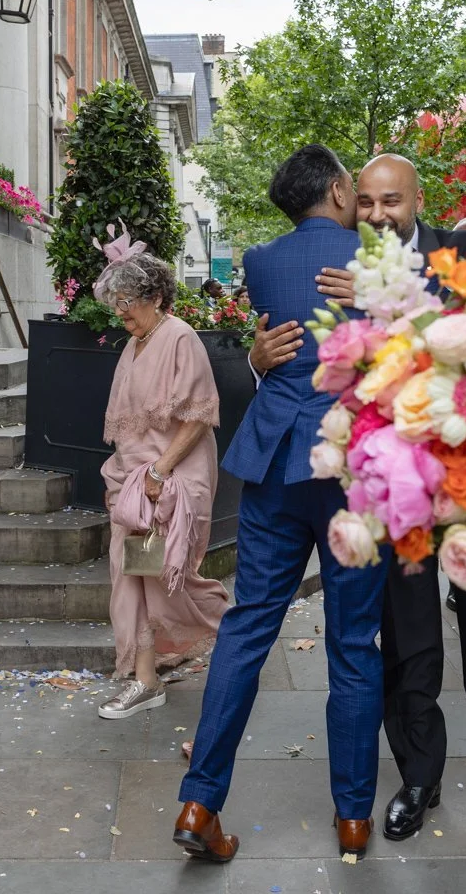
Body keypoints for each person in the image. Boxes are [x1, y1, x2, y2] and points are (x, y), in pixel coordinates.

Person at [173, 145, 387, 864]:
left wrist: (260, 360)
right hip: (352, 468)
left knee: (246, 628)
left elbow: (275, 347)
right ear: (335, 189)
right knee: (353, 643)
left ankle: (201, 800)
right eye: (353, 186)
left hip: (274, 466)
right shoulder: (377, 261)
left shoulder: (262, 261)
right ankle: (353, 816)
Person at [347, 153, 466, 842]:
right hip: (396, 496)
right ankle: (419, 775)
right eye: (366, 203)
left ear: (417, 200)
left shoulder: (462, 258)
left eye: (390, 201)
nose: (377, 216)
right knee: (409, 643)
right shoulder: (342, 270)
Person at [94, 245, 230, 720]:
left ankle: (229, 630)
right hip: (137, 483)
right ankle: (146, 676)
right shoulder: (137, 342)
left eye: (126, 299)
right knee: (135, 576)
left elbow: (197, 417)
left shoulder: (179, 336)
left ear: (153, 296)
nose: (119, 310)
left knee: (165, 577)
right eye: (115, 300)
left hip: (169, 480)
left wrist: (158, 472)